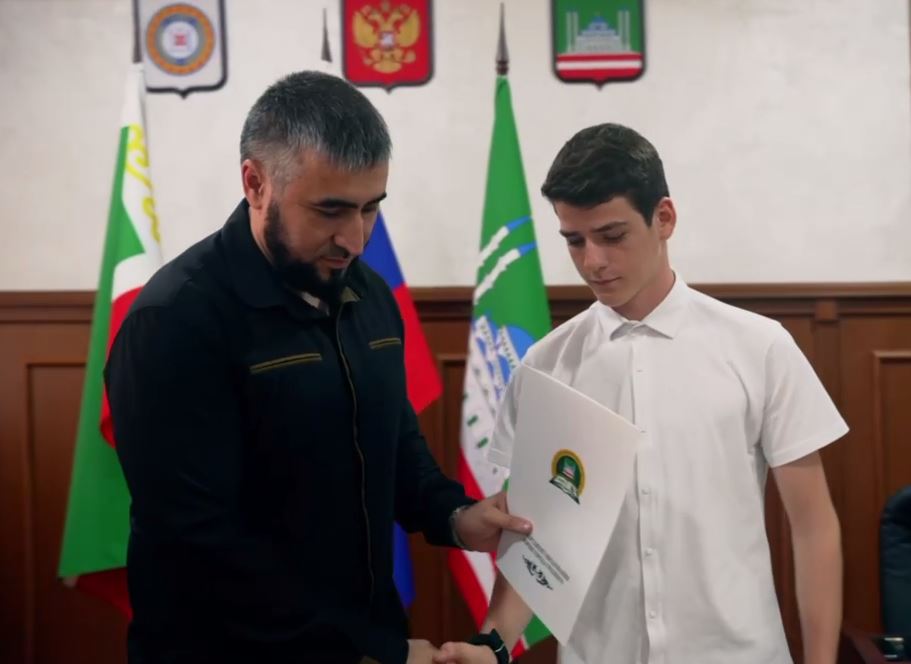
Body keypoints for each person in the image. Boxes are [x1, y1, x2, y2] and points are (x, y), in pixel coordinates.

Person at [105, 71, 531, 664]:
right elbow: (200, 541)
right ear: (256, 183)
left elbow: (392, 443)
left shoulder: (370, 295)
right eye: (330, 210)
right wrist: (370, 652)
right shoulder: (175, 319)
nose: (354, 239)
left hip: (365, 635)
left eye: (370, 208)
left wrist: (457, 517)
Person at [434, 123, 846, 664]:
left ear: (664, 218)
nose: (592, 261)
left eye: (611, 235)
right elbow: (535, 532)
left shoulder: (759, 347)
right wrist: (494, 646)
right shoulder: (546, 367)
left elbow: (814, 528)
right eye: (574, 240)